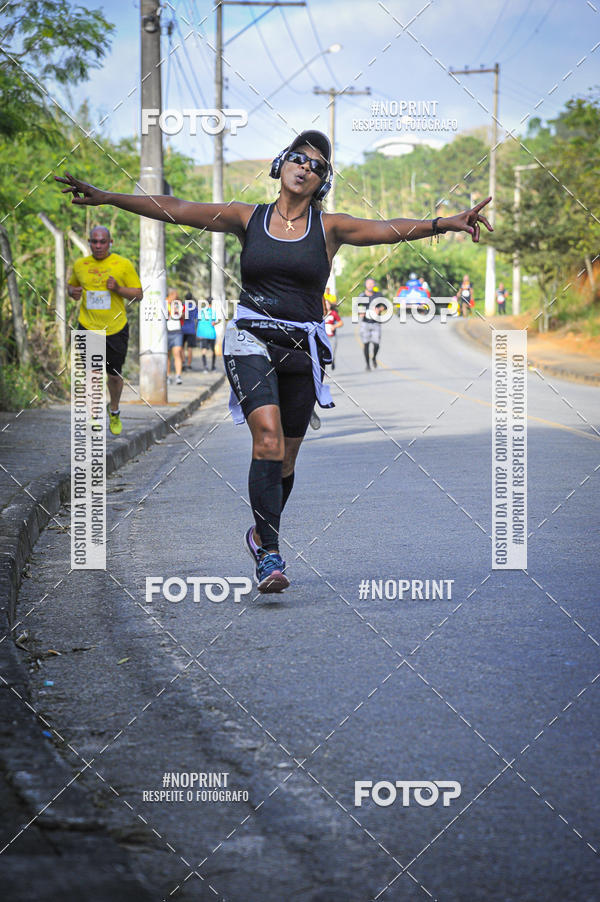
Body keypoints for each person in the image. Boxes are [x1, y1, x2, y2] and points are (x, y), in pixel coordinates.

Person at [56, 130, 491, 592]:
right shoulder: (249, 218)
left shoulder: (330, 228)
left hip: (303, 347)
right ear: (281, 164)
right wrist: (108, 198)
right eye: (299, 158)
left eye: (318, 165)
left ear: (322, 181)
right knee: (266, 437)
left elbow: (389, 229)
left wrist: (445, 222)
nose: (306, 167)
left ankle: (260, 532)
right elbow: (177, 207)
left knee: (284, 459)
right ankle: (270, 554)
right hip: (249, 340)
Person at [67, 225, 143, 435]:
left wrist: (118, 289)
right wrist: (71, 292)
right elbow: (71, 288)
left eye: (102, 242)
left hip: (116, 328)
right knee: (93, 373)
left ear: (110, 243)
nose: (98, 245)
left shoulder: (122, 264)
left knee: (114, 376)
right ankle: (94, 414)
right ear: (89, 242)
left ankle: (115, 410)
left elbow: (138, 294)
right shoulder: (80, 265)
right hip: (88, 326)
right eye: (94, 241)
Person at [358, 278, 383, 370]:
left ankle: (374, 358)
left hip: (376, 323)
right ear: (365, 285)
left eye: (372, 283)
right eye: (368, 283)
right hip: (365, 323)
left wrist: (379, 309)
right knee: (366, 344)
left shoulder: (378, 295)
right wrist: (360, 312)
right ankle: (367, 364)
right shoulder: (362, 296)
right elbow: (356, 307)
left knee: (376, 344)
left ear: (374, 285)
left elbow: (384, 306)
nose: (370, 285)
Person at [166, 288, 184, 384]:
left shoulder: (178, 304)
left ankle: (178, 376)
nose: (177, 296)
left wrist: (177, 310)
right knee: (167, 355)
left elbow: (182, 315)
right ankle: (167, 376)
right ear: (171, 294)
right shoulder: (163, 303)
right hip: (166, 332)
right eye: (175, 295)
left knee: (177, 353)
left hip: (177, 331)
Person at [196, 298, 217, 372]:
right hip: (211, 333)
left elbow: (198, 320)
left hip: (202, 333)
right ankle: (213, 367)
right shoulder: (213, 312)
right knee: (213, 350)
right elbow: (213, 323)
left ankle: (205, 367)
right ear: (212, 303)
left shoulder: (201, 311)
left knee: (204, 350)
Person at [181, 290, 199, 369]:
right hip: (191, 329)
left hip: (182, 329)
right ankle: (189, 364)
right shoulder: (194, 307)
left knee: (181, 346)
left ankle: (183, 361)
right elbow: (197, 318)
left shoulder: (182, 305)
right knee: (190, 348)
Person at [324, 299, 343, 370]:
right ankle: (324, 369)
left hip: (332, 336)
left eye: (328, 304)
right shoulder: (321, 314)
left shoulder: (333, 313)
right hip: (323, 337)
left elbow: (340, 323)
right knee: (323, 353)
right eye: (325, 304)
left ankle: (333, 361)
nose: (326, 306)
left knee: (332, 352)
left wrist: (334, 326)